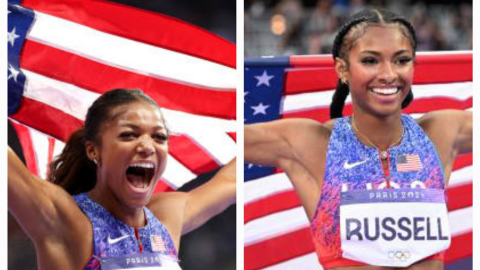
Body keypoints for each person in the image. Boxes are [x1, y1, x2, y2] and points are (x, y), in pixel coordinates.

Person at [244, 8, 472, 270]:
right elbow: (225, 134)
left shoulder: (440, 133)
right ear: (342, 69)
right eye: (370, 61)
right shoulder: (312, 142)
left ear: (413, 65)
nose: (388, 74)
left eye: (401, 60)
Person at [8, 89, 236, 270]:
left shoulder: (167, 216)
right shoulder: (67, 220)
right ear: (94, 150)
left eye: (159, 136)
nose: (147, 146)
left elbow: (231, 181)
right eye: (129, 134)